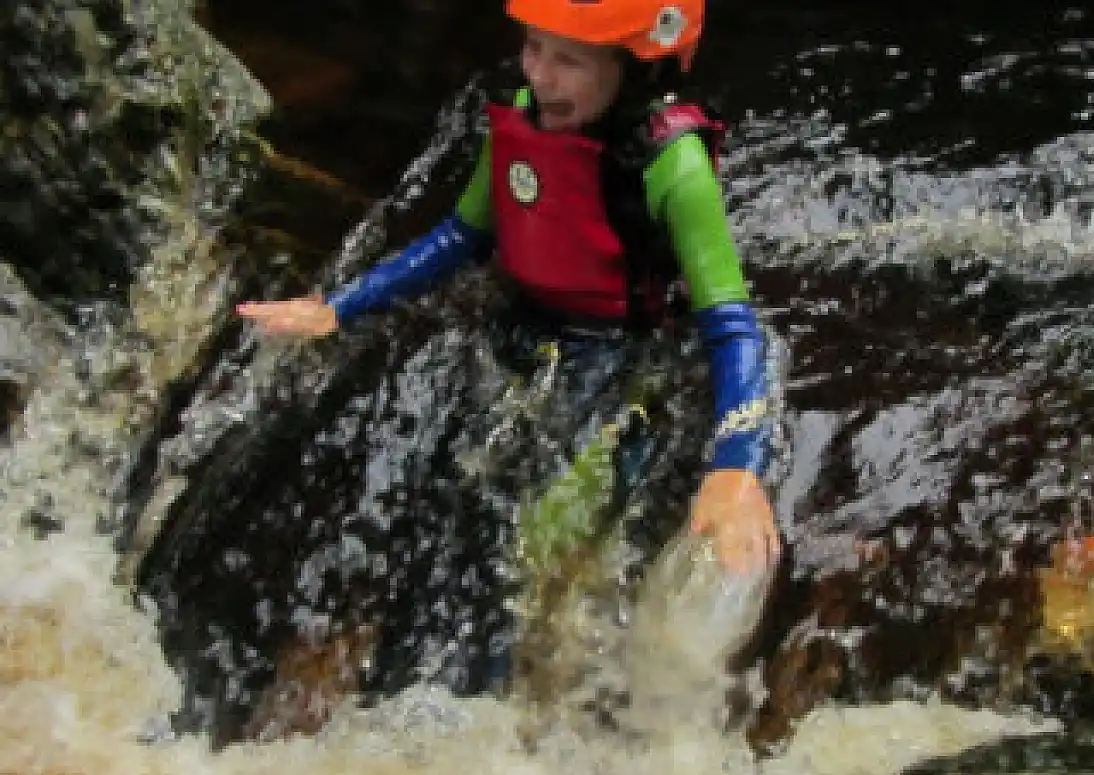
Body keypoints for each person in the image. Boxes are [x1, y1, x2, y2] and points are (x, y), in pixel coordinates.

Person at [236, 0, 782, 691]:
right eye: (532, 48)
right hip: (525, 332)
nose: (541, 76)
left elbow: (732, 326)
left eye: (568, 61)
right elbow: (462, 237)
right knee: (450, 490)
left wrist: (738, 465)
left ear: (638, 66)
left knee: (536, 536)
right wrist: (338, 310)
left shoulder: (673, 166)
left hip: (621, 358)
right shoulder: (523, 115)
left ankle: (500, 699)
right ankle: (404, 678)